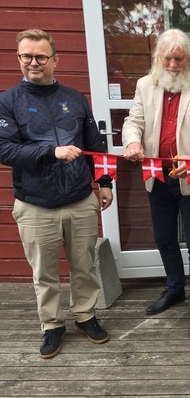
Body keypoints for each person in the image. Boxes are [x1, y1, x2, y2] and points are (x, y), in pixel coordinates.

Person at [0, 29, 112, 358]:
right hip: (35, 205)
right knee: (44, 272)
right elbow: (5, 150)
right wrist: (52, 153)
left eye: (40, 56)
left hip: (79, 199)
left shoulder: (75, 98)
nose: (33, 62)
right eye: (26, 56)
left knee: (84, 266)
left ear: (55, 60)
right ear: (19, 58)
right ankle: (52, 325)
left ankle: (86, 316)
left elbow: (95, 145)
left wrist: (104, 182)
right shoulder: (7, 102)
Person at [122, 28, 190, 339]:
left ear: (189, 59)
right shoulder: (144, 85)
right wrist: (132, 143)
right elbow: (133, 121)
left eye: (179, 59)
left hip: (189, 176)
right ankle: (175, 289)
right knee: (164, 239)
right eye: (167, 58)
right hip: (156, 175)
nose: (173, 65)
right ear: (158, 58)